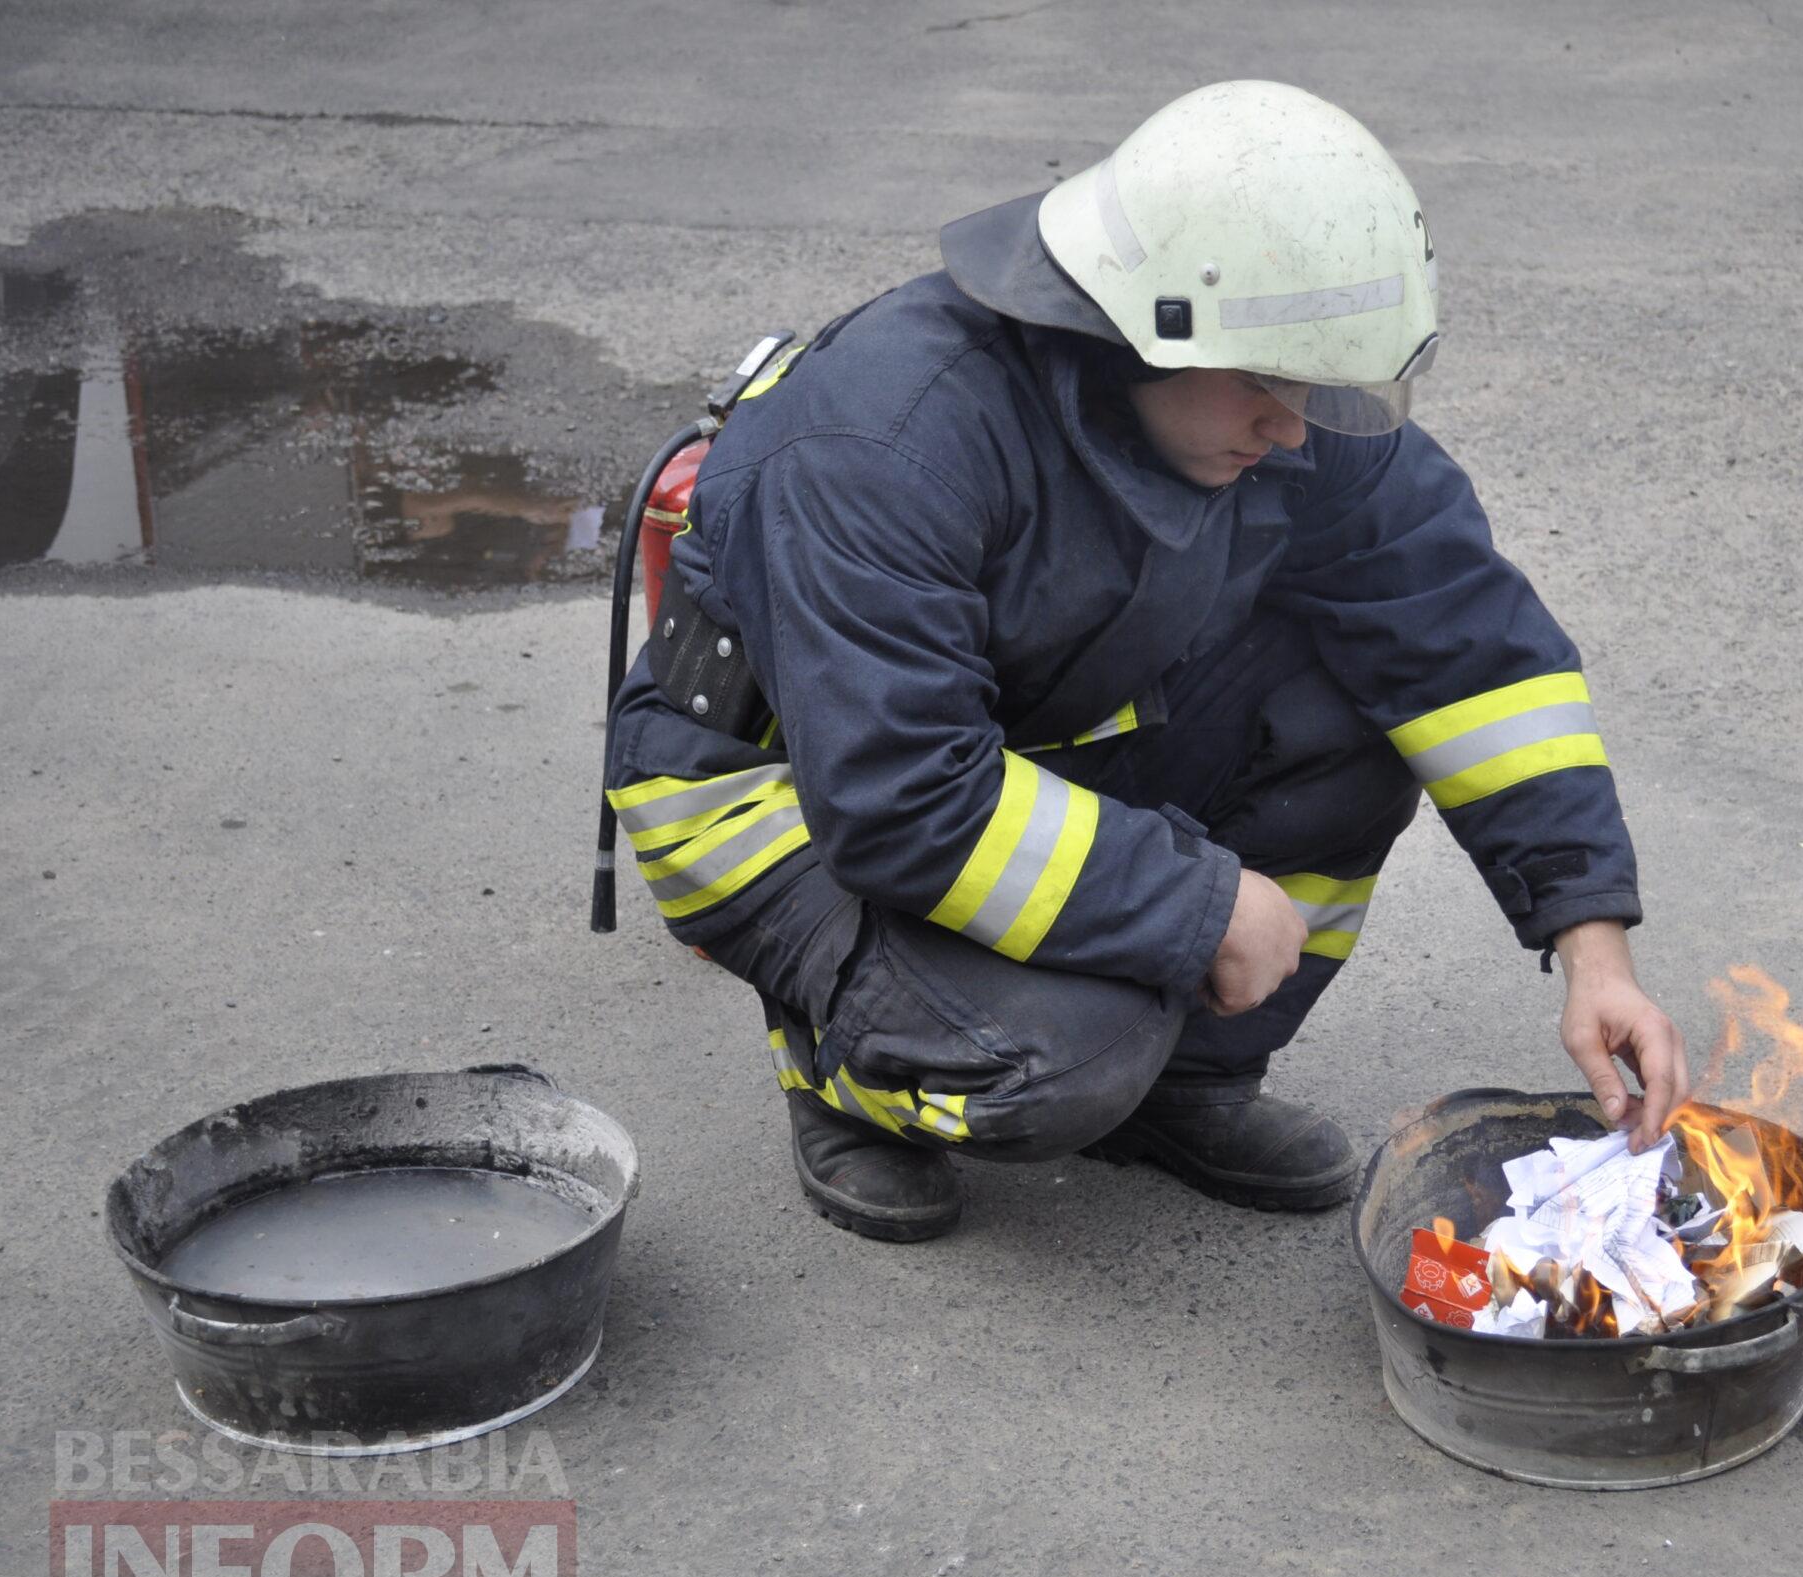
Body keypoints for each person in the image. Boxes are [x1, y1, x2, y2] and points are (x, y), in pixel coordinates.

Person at [605, 80, 1688, 1242]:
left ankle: (1189, 1082)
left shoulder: (1264, 396)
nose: (1293, 423)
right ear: (1133, 325)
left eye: (1315, 384)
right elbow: (900, 794)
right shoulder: (884, 438)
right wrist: (1201, 902)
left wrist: (1592, 943)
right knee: (1057, 1055)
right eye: (1267, 383)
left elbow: (1478, 659)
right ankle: (848, 1072)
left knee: (1360, 709)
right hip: (774, 794)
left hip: (1022, 737)